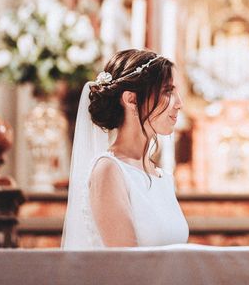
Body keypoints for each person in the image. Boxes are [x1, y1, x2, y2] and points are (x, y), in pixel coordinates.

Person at [62, 49, 189, 249]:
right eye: (168, 91)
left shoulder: (163, 177)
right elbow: (126, 265)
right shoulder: (109, 170)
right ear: (131, 100)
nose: (179, 103)